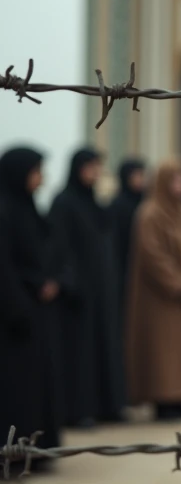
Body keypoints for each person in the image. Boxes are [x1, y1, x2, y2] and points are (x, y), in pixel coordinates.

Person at [124, 160, 181, 421]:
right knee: (164, 351)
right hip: (161, 299)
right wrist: (180, 283)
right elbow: (152, 255)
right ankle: (163, 400)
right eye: (176, 180)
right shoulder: (150, 214)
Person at [48, 148, 126, 427]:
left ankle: (108, 405)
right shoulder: (64, 202)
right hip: (78, 293)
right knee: (81, 353)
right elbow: (59, 246)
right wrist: (71, 281)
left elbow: (106, 237)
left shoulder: (95, 203)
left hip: (102, 289)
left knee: (104, 347)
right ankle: (79, 410)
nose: (95, 173)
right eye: (90, 167)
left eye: (98, 167)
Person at [0, 147, 62, 472]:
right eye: (36, 170)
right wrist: (21, 305)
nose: (41, 178)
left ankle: (35, 451)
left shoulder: (28, 208)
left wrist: (47, 281)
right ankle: (13, 456)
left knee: (34, 390)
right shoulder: (4, 209)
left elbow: (39, 255)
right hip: (12, 320)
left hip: (33, 314)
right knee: (14, 392)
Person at [106, 159, 147, 356]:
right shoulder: (117, 205)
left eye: (142, 175)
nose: (140, 180)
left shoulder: (147, 204)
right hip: (123, 269)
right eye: (136, 176)